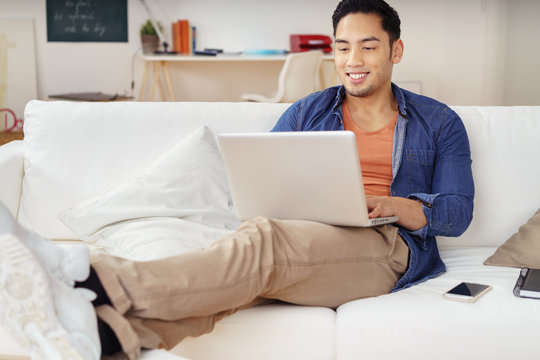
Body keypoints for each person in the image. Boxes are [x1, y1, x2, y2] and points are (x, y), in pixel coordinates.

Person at [0, 0, 474, 358]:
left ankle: (88, 275)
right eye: (343, 46)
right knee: (235, 276)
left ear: (396, 50)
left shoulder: (439, 121)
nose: (354, 59)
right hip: (308, 236)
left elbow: (457, 212)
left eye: (369, 46)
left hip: (389, 250)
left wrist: (391, 203)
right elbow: (263, 172)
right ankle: (99, 339)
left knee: (262, 243)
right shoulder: (307, 111)